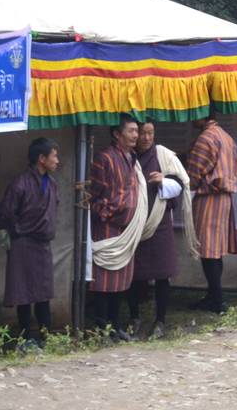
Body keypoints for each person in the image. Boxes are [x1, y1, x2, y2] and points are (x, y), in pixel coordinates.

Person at [0, 137, 60, 348]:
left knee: (43, 293)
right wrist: (13, 232)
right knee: (24, 293)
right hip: (22, 243)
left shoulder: (52, 183)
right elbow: (5, 213)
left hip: (43, 244)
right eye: (54, 156)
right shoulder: (20, 183)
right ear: (41, 159)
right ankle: (25, 336)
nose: (57, 160)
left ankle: (46, 337)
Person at [130, 120, 195, 337]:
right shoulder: (128, 156)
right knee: (134, 274)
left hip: (160, 224)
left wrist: (162, 181)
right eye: (142, 133)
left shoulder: (163, 154)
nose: (147, 138)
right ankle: (134, 317)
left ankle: (160, 320)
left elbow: (181, 183)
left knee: (162, 274)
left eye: (150, 133)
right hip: (136, 225)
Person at [87, 114, 147, 341]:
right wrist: (112, 211)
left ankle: (116, 325)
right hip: (108, 229)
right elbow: (92, 197)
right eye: (131, 131)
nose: (136, 135)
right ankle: (102, 327)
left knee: (120, 282)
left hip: (127, 232)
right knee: (103, 281)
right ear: (117, 134)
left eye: (136, 131)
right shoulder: (104, 159)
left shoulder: (132, 159)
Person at [187, 114, 237, 313]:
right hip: (225, 199)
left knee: (208, 251)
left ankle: (217, 300)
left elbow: (194, 172)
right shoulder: (226, 136)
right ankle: (214, 296)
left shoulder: (206, 138)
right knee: (215, 251)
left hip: (209, 198)